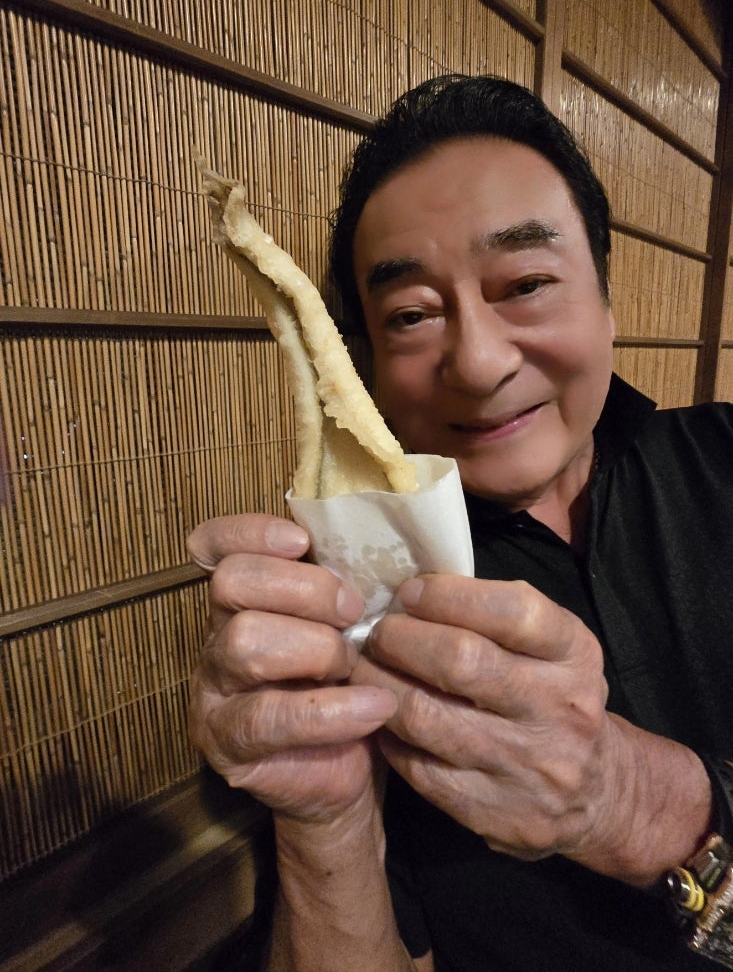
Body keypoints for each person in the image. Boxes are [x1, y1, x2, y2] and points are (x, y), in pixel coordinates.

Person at [187, 75, 733, 971]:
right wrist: (325, 819)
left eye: (526, 283)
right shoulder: (343, 614)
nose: (477, 364)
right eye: (410, 315)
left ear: (606, 300)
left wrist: (632, 804)